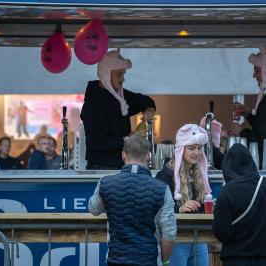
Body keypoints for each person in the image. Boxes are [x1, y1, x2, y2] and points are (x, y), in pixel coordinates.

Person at [88, 134, 176, 266]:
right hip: (149, 259)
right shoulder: (162, 189)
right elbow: (169, 233)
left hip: (115, 259)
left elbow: (93, 209)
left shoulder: (105, 183)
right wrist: (165, 260)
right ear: (148, 156)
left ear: (123, 155)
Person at [80, 49, 156, 170]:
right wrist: (127, 139)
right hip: (100, 167)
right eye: (119, 74)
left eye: (123, 74)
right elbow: (96, 143)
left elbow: (144, 100)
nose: (123, 79)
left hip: (123, 165)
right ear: (106, 74)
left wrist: (149, 109)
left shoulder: (121, 96)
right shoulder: (92, 104)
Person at [212, 144, 266, 266]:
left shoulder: (227, 191)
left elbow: (221, 231)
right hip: (265, 259)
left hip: (235, 259)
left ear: (227, 167)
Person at [156, 124, 213, 266]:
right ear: (181, 149)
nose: (196, 152)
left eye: (199, 148)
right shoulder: (165, 175)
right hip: (176, 240)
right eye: (191, 148)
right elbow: (156, 209)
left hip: (199, 239)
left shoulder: (200, 174)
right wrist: (179, 209)